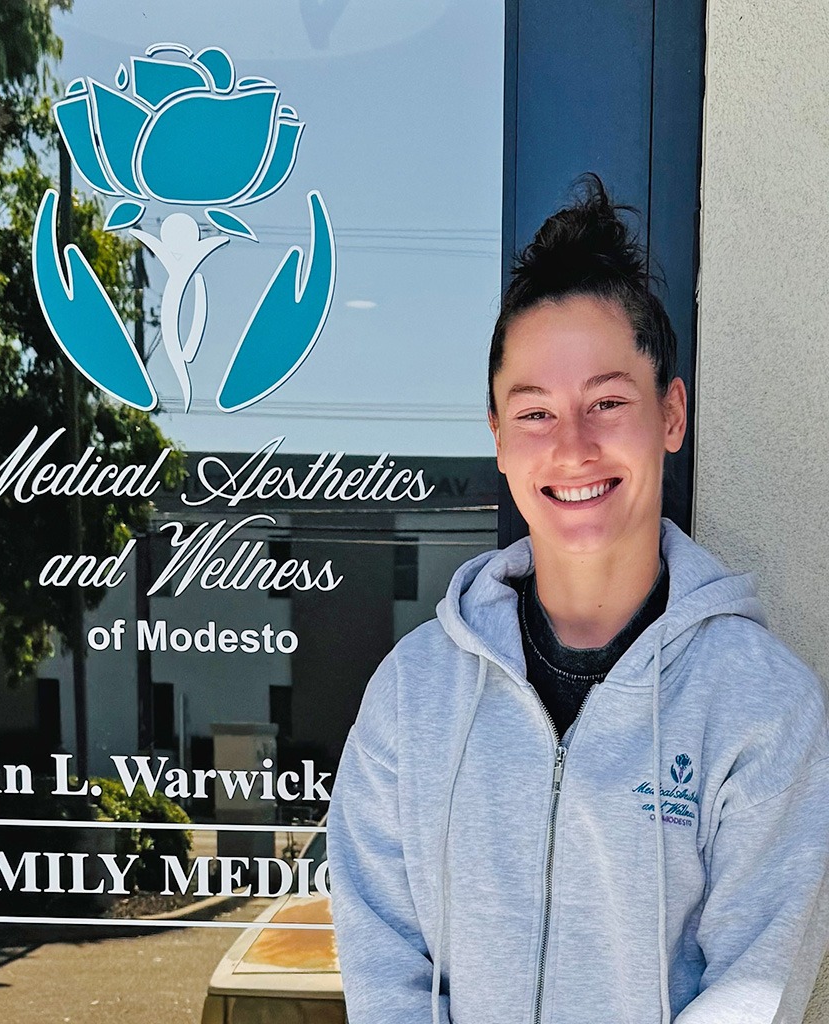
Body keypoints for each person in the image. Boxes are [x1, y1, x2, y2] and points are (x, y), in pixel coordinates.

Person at [327, 176, 829, 1024]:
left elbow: (753, 986)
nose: (573, 447)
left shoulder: (763, 708)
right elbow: (383, 963)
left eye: (606, 401)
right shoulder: (413, 695)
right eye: (534, 413)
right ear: (495, 437)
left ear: (670, 414)